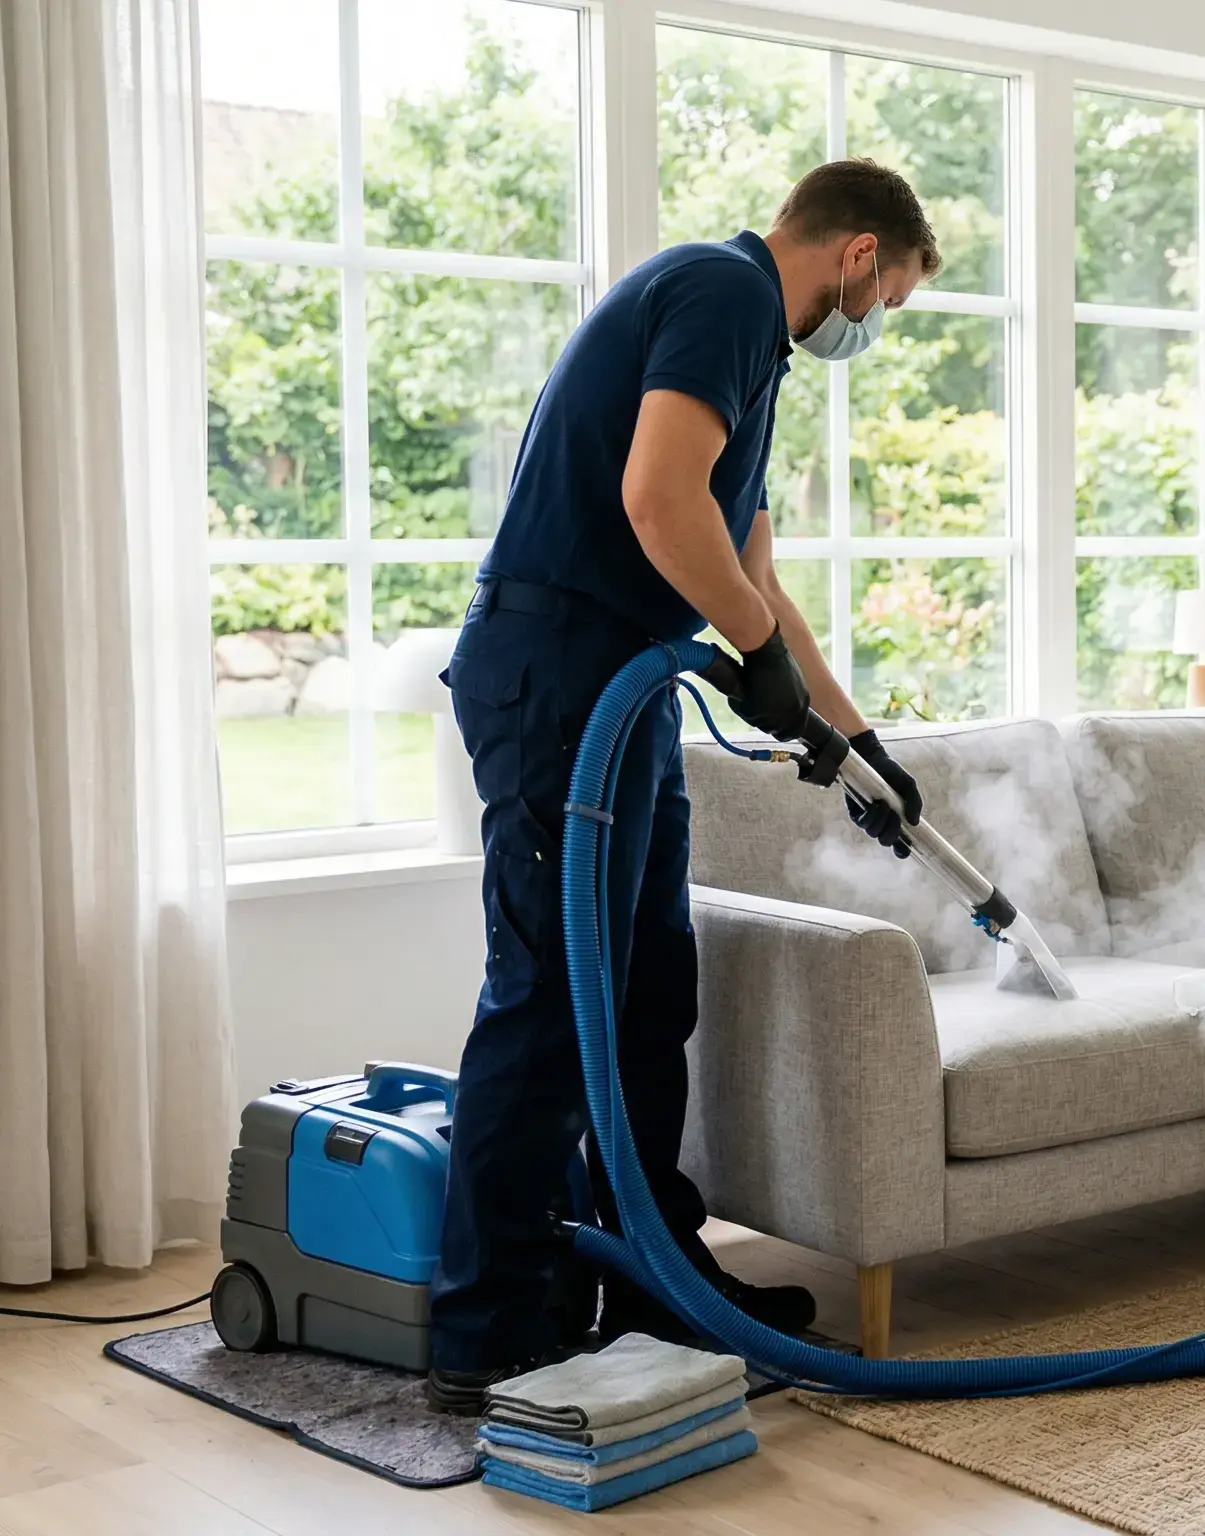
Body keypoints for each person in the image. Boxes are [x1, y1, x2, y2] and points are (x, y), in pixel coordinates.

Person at [426, 159, 939, 1414]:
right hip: (557, 679)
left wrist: (856, 741)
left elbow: (753, 576)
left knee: (652, 987)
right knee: (554, 995)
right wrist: (752, 657)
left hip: (621, 692)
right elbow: (658, 504)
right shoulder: (719, 291)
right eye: (890, 306)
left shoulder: (750, 354)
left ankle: (658, 1282)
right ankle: (486, 1327)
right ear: (857, 255)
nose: (870, 334)